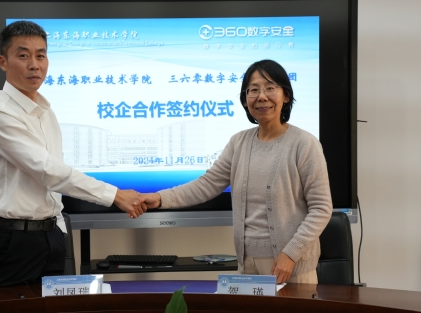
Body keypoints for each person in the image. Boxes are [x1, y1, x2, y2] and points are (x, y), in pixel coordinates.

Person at [0, 20, 145, 288]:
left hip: (50, 235)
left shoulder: (45, 111)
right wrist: (115, 195)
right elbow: (48, 171)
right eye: (23, 56)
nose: (34, 65)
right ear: (3, 62)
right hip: (13, 242)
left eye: (40, 56)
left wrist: (58, 231)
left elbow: (52, 181)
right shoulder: (0, 113)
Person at [137, 60, 332, 284]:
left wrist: (290, 254)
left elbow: (321, 208)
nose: (262, 96)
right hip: (247, 266)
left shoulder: (304, 144)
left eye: (270, 88)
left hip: (290, 267)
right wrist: (160, 198)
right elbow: (206, 185)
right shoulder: (238, 143)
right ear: (245, 99)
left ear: (286, 95)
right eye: (253, 90)